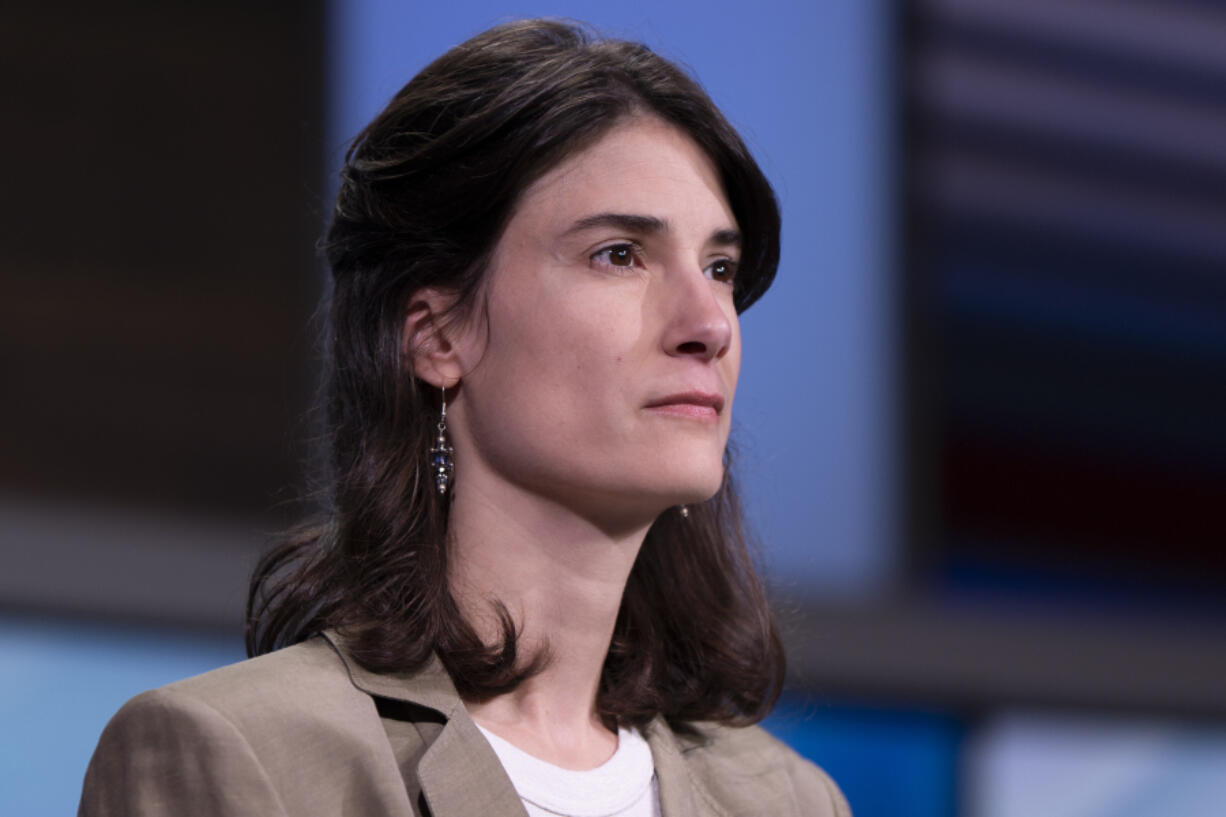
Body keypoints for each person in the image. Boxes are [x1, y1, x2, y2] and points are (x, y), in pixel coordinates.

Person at [79, 18, 850, 817]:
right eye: (619, 253)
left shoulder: (793, 800)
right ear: (437, 335)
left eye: (719, 267)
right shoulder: (240, 759)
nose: (711, 324)